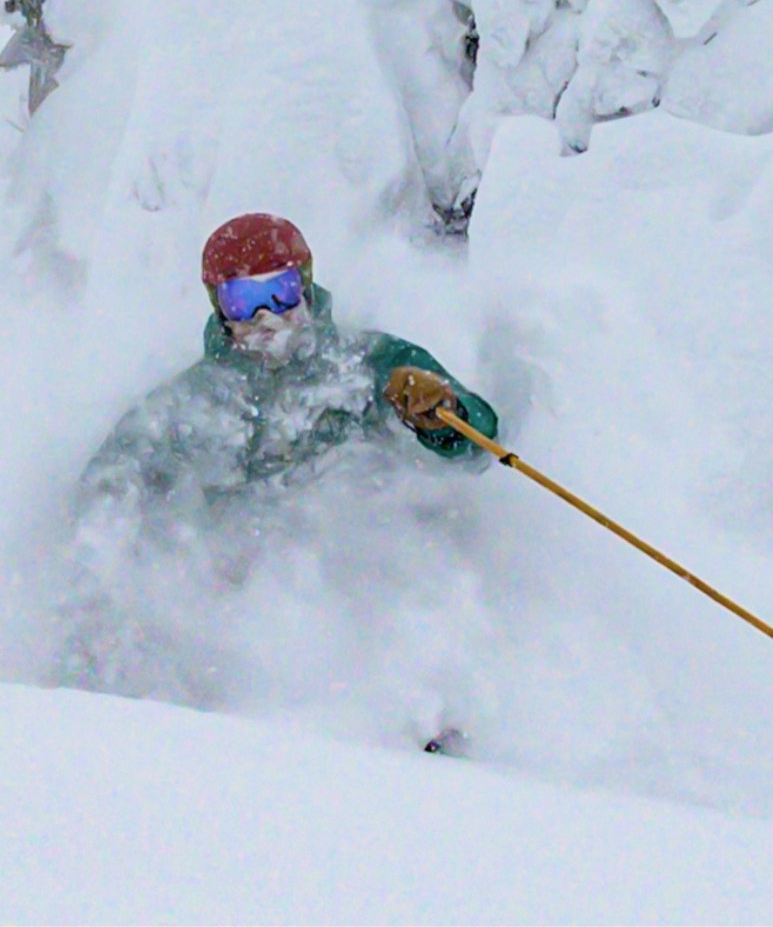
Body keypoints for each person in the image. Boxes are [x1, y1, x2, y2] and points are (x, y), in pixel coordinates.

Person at [61, 213, 498, 696]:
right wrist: (108, 549)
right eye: (243, 301)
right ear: (220, 310)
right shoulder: (195, 398)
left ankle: (423, 722)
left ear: (305, 287)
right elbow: (115, 470)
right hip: (241, 606)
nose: (265, 317)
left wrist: (441, 413)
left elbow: (476, 446)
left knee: (417, 581)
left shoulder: (369, 364)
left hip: (361, 583)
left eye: (280, 292)